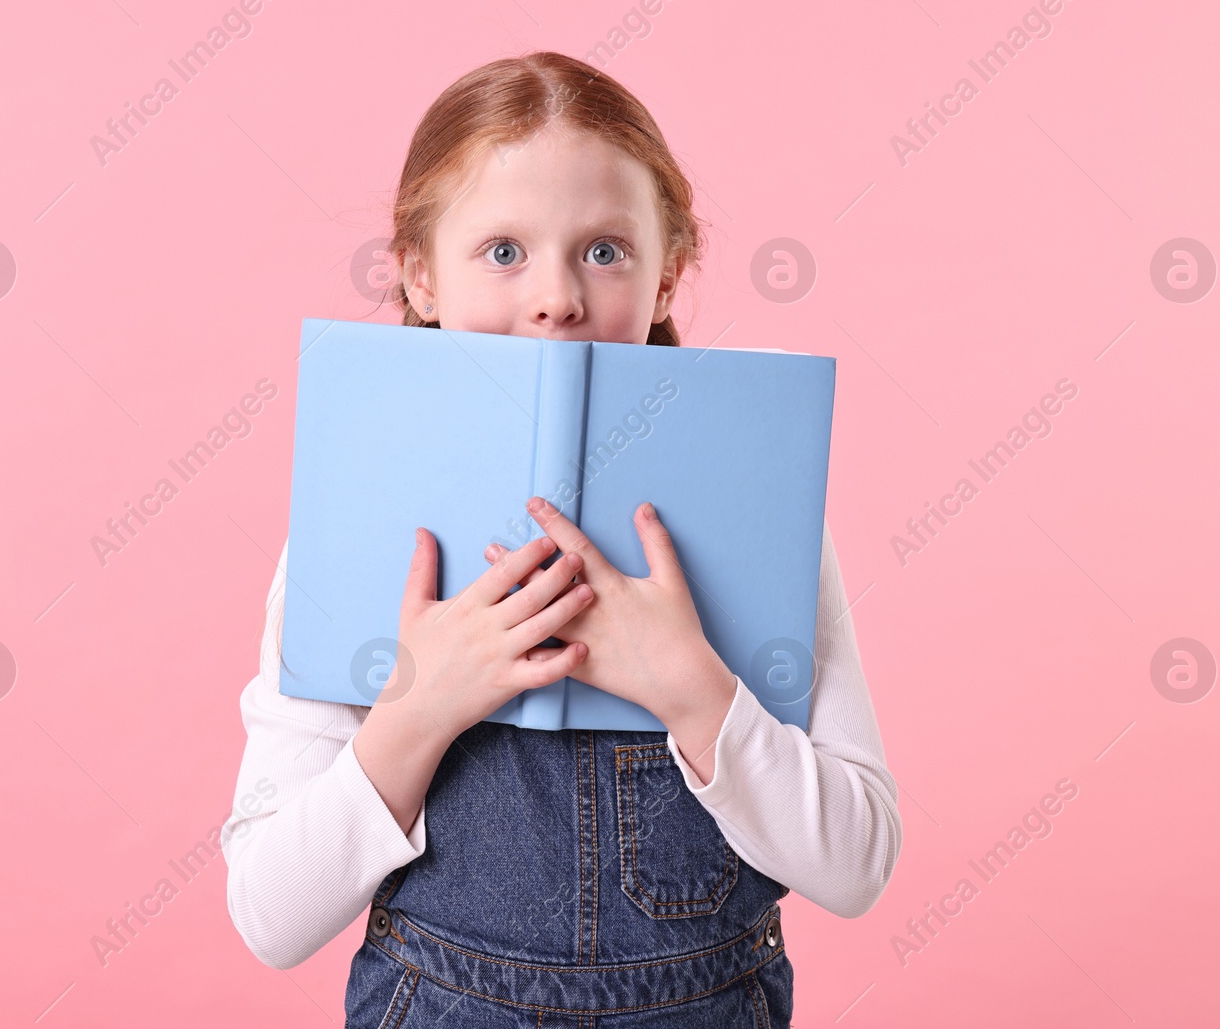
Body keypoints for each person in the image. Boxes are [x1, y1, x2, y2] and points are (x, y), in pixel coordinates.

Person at [224, 51, 901, 1026]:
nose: (555, 297)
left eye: (604, 249)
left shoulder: (764, 513)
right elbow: (270, 916)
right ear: (419, 274)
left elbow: (856, 864)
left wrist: (692, 688)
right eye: (503, 250)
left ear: (668, 273)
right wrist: (422, 706)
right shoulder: (352, 522)